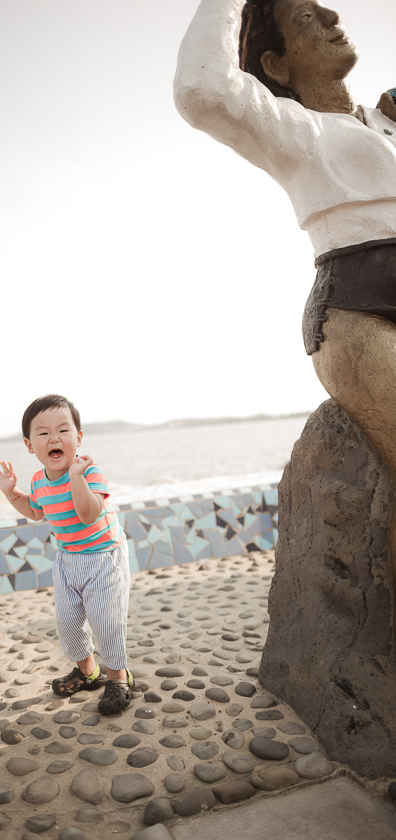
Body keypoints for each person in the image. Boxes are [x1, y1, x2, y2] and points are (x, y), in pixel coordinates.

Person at [174, 0, 396, 617]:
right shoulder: (296, 129)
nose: (330, 15)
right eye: (305, 19)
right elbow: (201, 88)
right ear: (276, 63)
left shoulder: (386, 117)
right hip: (357, 311)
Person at [0, 394, 134, 715]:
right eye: (43, 433)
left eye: (63, 430)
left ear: (79, 437)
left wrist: (76, 478)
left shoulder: (90, 472)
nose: (54, 438)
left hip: (104, 557)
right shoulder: (38, 481)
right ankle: (88, 672)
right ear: (30, 445)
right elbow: (35, 511)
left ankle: (118, 676)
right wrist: (11, 492)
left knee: (105, 620)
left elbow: (88, 514)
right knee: (68, 621)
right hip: (67, 559)